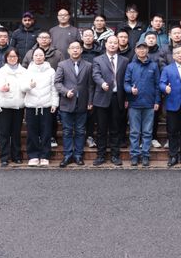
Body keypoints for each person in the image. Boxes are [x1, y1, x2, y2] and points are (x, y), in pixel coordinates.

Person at [55, 42, 94, 167]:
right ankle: (67, 155)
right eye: (73, 48)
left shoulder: (88, 65)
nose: (75, 50)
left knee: (80, 131)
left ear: (81, 50)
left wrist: (90, 101)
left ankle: (78, 155)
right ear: (68, 50)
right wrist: (66, 92)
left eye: (77, 48)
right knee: (67, 131)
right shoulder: (62, 65)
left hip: (82, 103)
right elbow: (57, 83)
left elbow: (90, 86)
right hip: (67, 103)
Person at [92, 35, 129, 166]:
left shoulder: (125, 60)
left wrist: (126, 98)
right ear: (106, 44)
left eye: (115, 43)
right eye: (110, 43)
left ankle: (115, 155)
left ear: (118, 45)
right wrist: (102, 83)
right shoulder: (98, 59)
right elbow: (96, 74)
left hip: (117, 98)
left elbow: (126, 79)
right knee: (101, 129)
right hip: (102, 97)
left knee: (115, 128)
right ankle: (100, 155)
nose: (113, 45)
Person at [21, 47, 58, 167]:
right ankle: (33, 156)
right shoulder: (27, 71)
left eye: (41, 55)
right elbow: (22, 88)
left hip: (46, 105)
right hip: (31, 106)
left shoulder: (51, 71)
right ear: (32, 57)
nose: (38, 57)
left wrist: (54, 103)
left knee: (46, 132)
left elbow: (54, 88)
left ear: (44, 56)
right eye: (36, 55)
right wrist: (29, 86)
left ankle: (45, 156)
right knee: (32, 132)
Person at [124, 41, 160, 167]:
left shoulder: (154, 66)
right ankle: (134, 155)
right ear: (135, 50)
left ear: (147, 50)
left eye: (144, 48)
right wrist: (130, 90)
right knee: (134, 132)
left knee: (147, 132)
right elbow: (126, 83)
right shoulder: (131, 66)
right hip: (134, 103)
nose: (142, 50)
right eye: (139, 48)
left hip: (149, 104)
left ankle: (145, 155)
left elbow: (157, 85)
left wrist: (157, 101)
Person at [0, 48, 27, 167]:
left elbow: (26, 85)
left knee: (16, 132)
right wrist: (2, 88)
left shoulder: (23, 71)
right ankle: (4, 157)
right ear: (6, 58)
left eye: (14, 56)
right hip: (5, 105)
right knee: (4, 132)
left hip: (19, 105)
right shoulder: (2, 71)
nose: (12, 59)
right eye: (9, 57)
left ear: (18, 57)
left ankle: (17, 156)